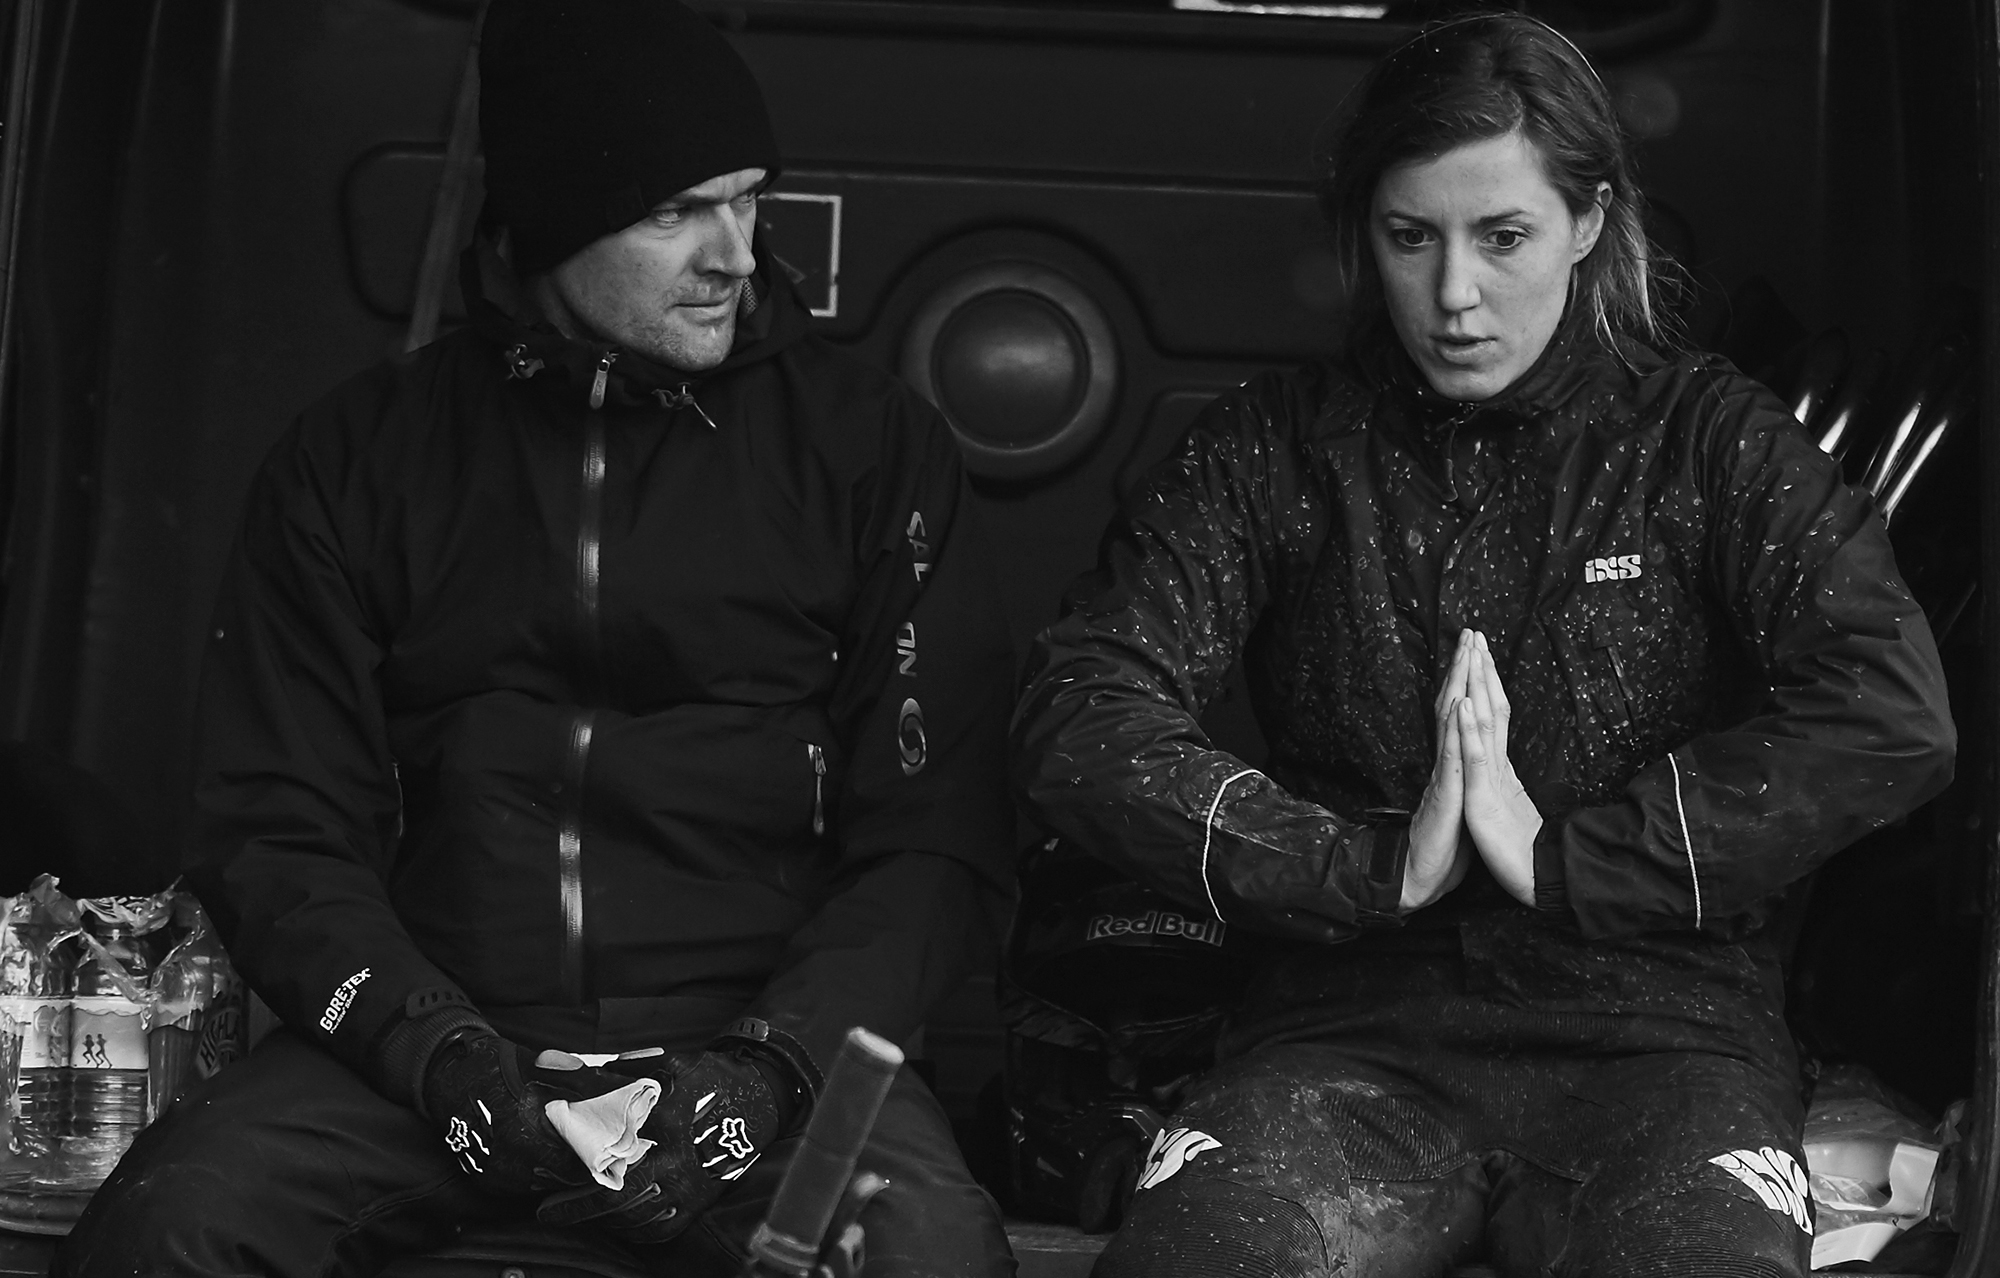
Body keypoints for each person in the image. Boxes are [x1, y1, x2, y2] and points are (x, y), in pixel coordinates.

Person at [55, 3, 1017, 1275]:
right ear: (554, 221)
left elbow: (934, 842)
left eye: (748, 200)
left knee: (929, 1255)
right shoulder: (359, 459)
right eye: (675, 213)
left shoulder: (866, 447)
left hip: (766, 1051)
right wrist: (439, 1056)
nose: (735, 254)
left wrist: (771, 1068)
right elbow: (277, 829)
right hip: (432, 1040)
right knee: (169, 1229)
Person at [1013, 12, 1954, 1278]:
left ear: (1587, 221)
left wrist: (1568, 860)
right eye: (1410, 238)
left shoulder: (1705, 439)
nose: (1453, 294)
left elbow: (1887, 711)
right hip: (1338, 1041)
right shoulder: (1274, 446)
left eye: (1501, 237)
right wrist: (1356, 867)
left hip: (1662, 1042)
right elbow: (1079, 709)